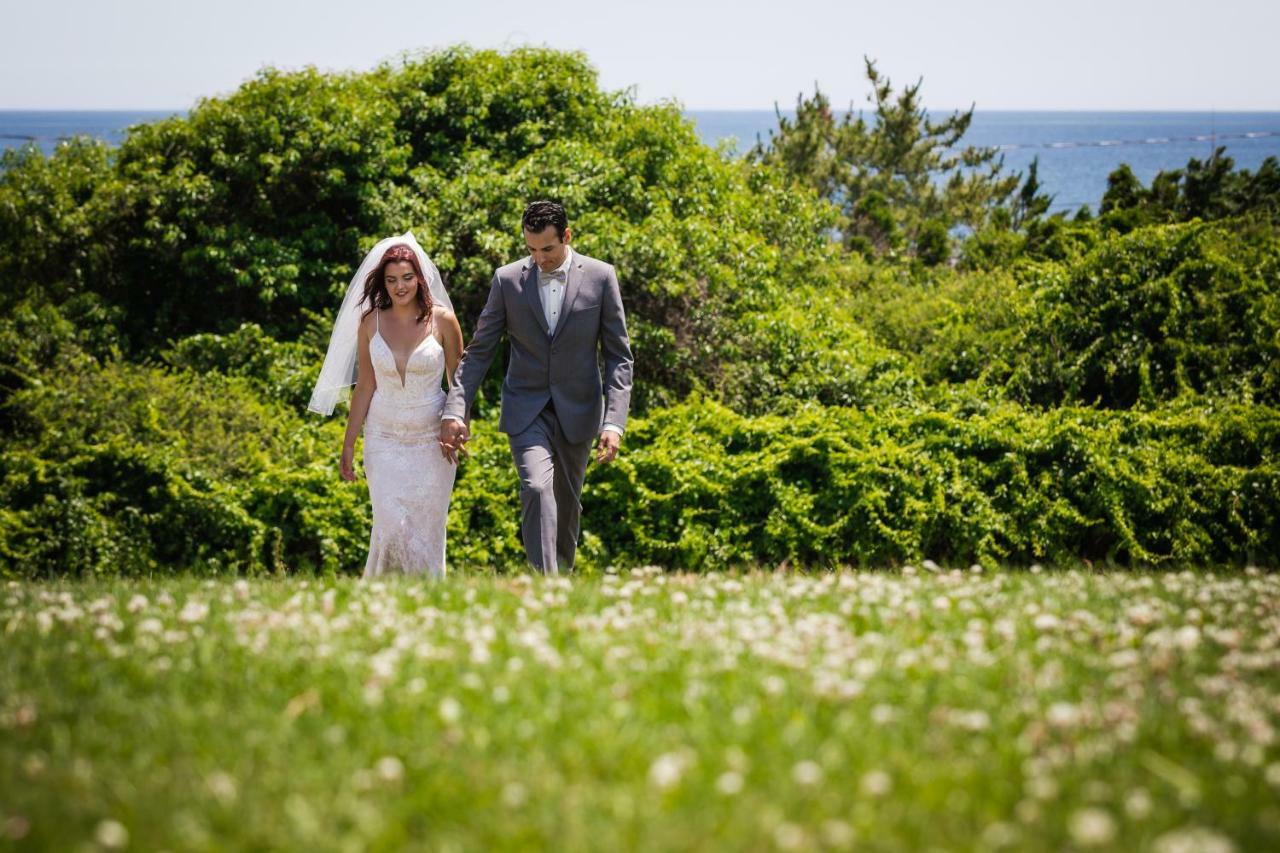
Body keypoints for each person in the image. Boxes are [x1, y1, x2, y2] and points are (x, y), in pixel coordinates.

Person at [440, 201, 634, 574]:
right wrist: (454, 408)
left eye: (547, 249)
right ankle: (545, 583)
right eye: (530, 249)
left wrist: (614, 422)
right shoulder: (507, 280)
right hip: (525, 408)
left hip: (580, 409)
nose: (538, 259)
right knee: (537, 488)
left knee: (566, 501)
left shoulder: (601, 276)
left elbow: (618, 356)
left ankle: (559, 581)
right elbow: (478, 352)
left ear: (567, 237)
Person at [308, 232, 464, 578]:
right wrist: (348, 444)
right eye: (391, 280)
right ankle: (384, 591)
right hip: (384, 438)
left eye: (407, 277)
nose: (400, 286)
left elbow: (460, 382)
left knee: (427, 528)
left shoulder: (443, 320)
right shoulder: (370, 322)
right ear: (383, 283)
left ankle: (424, 601)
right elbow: (365, 385)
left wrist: (457, 423)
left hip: (431, 442)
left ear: (420, 278)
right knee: (392, 525)